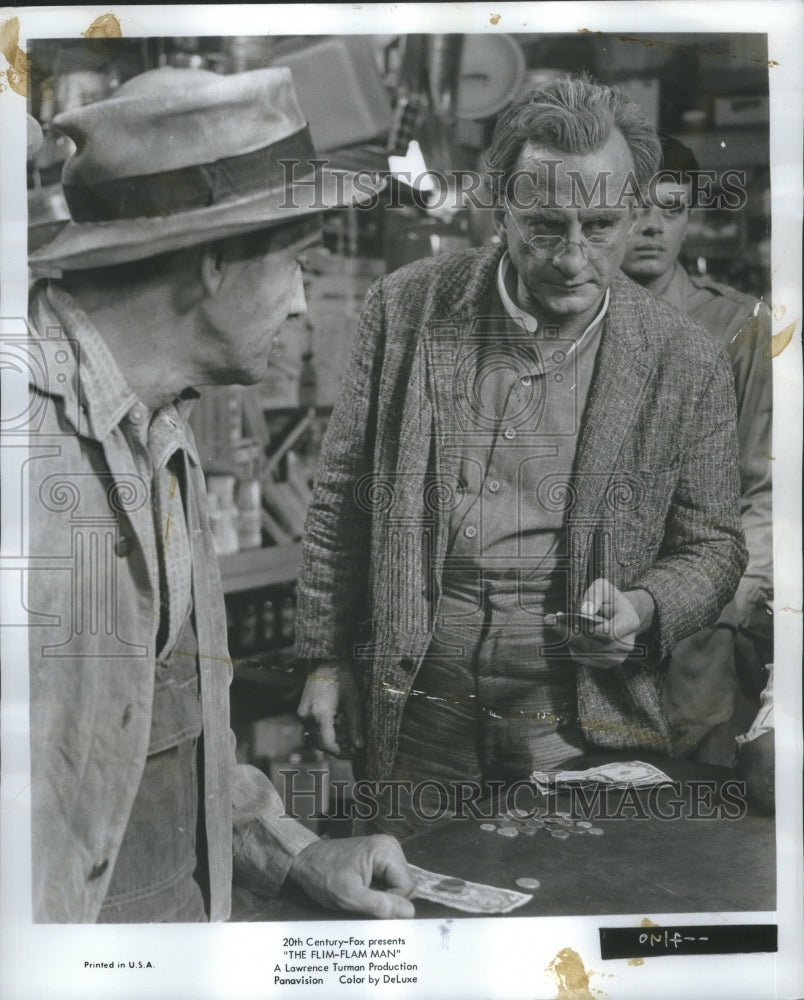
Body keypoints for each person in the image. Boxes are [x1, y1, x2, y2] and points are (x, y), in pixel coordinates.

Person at [296, 75, 747, 832]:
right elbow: (341, 496)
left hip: (574, 722)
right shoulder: (406, 308)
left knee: (561, 919)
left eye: (600, 226)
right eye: (544, 225)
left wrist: (642, 607)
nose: (573, 257)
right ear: (499, 206)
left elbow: (713, 545)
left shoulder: (684, 359)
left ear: (637, 211)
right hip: (417, 706)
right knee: (410, 898)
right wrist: (324, 656)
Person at [25, 65, 414, 923]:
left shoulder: (160, 424)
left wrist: (299, 852)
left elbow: (160, 737)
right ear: (213, 261)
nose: (306, 304)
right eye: (297, 263)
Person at [620, 136, 773, 762]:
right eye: (636, 206)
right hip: (584, 634)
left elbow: (762, 490)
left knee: (690, 830)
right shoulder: (566, 322)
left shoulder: (741, 329)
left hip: (693, 646)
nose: (653, 226)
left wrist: (725, 611)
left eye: (673, 208)